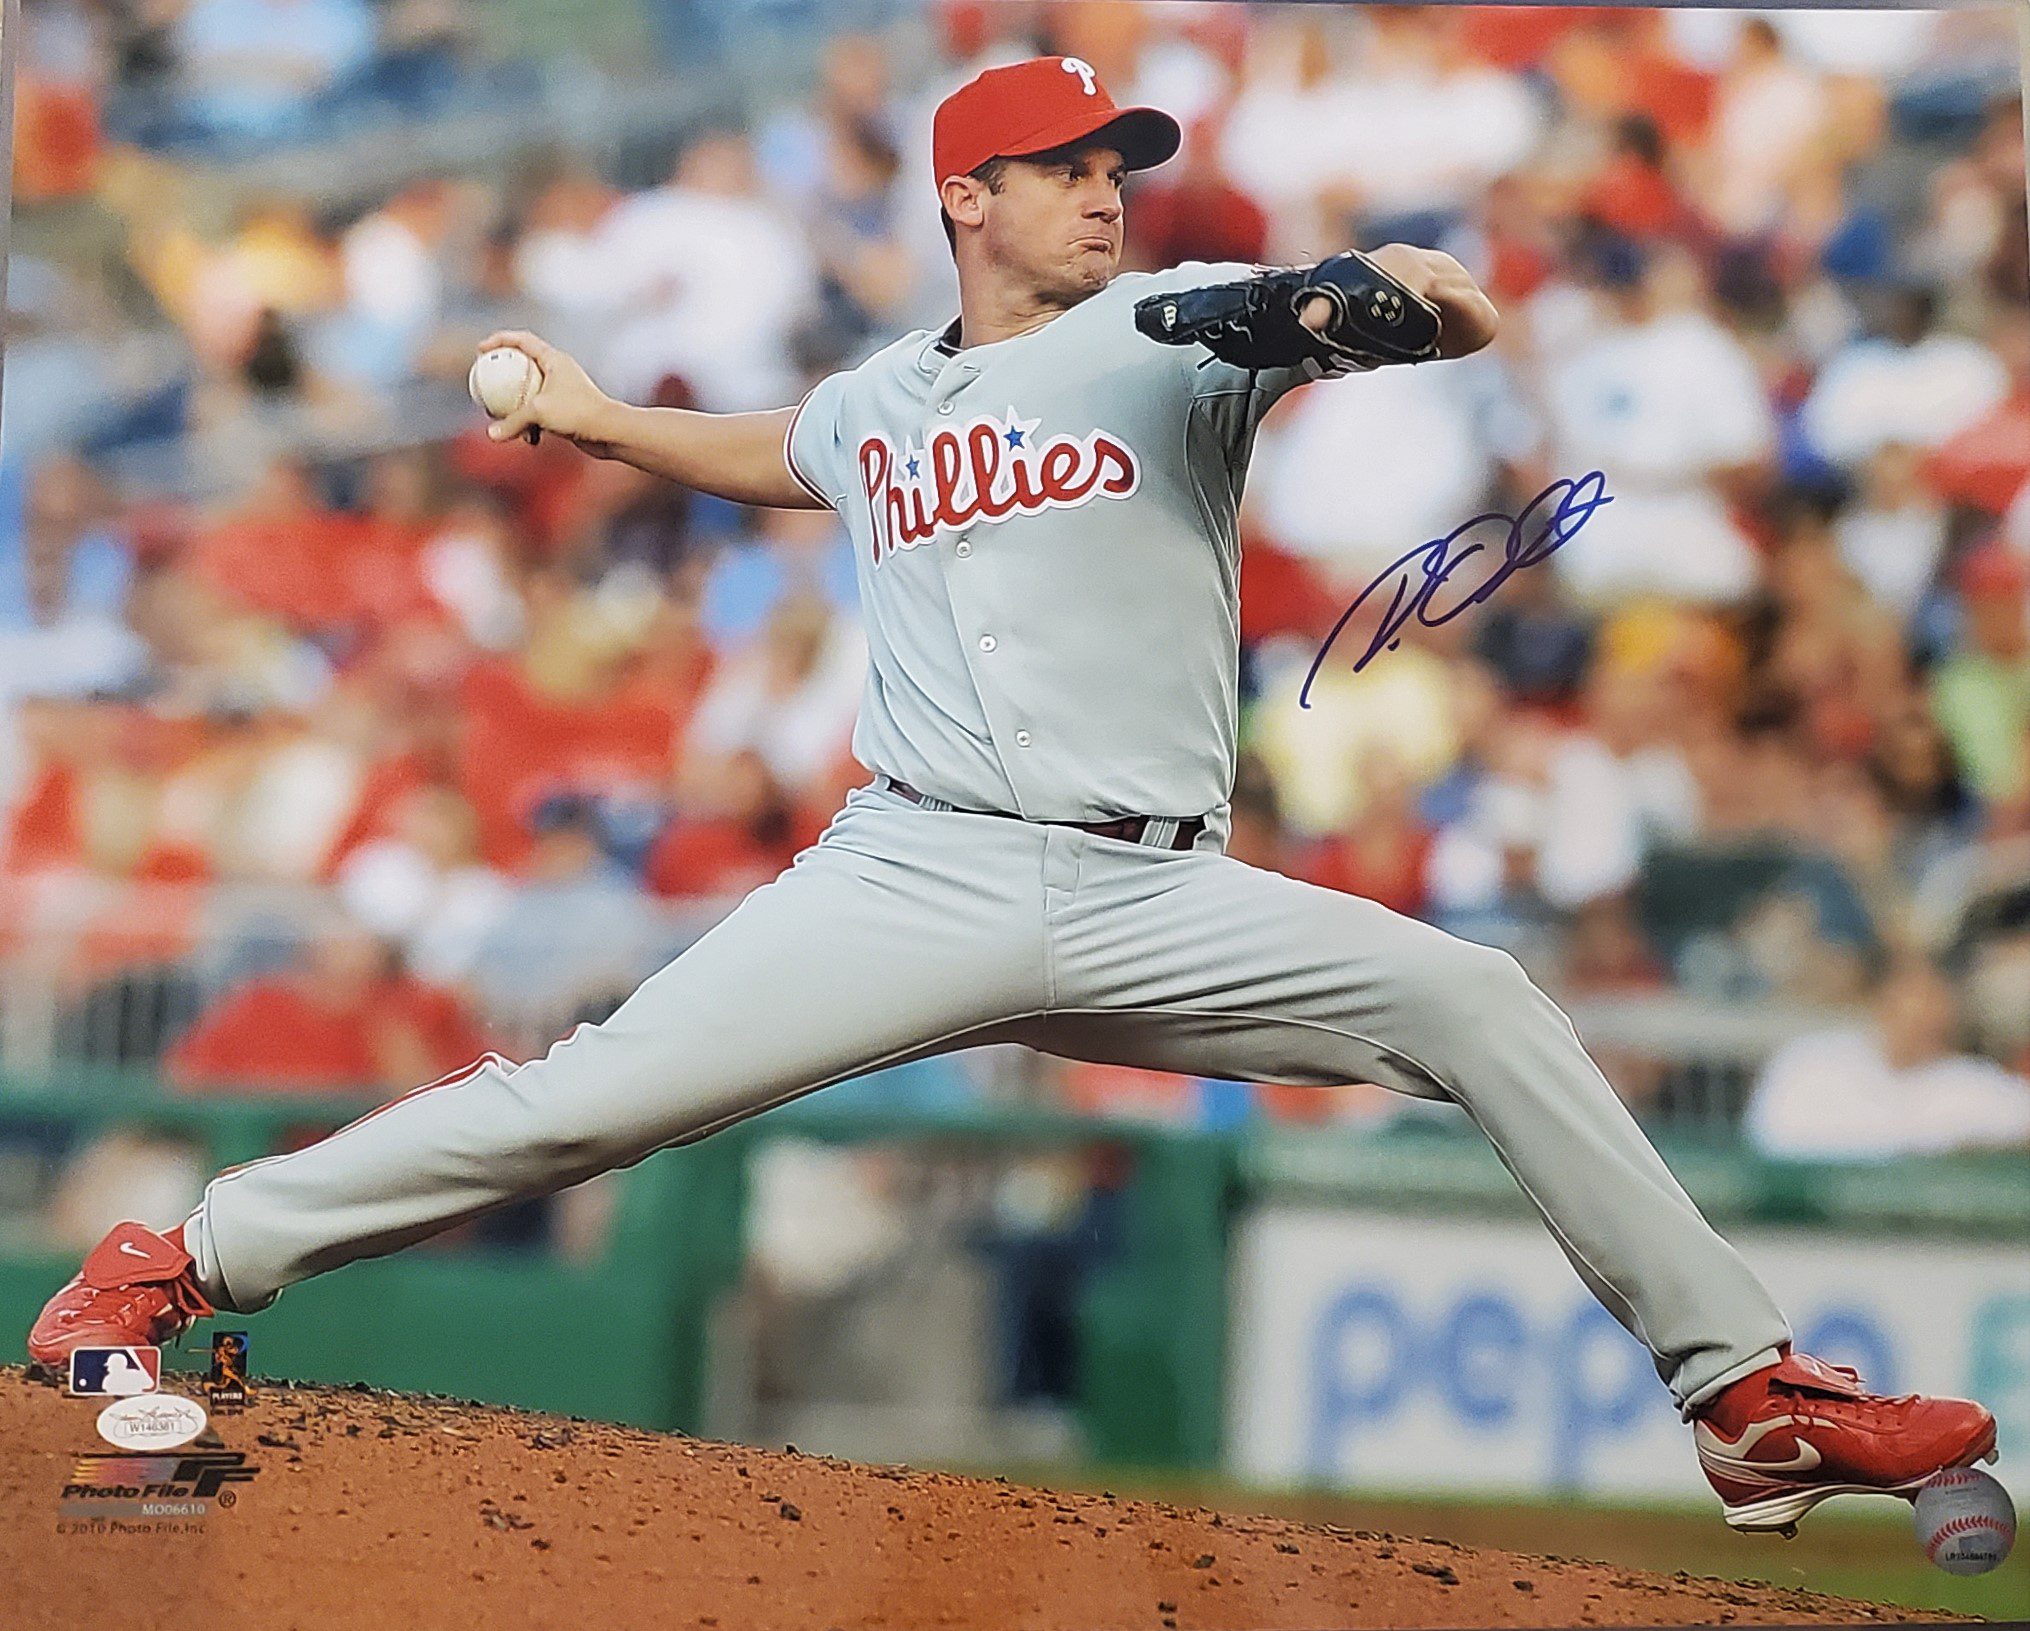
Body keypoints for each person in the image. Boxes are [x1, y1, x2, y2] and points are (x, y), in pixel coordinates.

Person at [29, 55, 1994, 1537]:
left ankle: (1742, 1402)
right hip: (914, 873)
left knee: (1478, 1000)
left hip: (1157, 894)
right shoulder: (888, 401)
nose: (1105, 194)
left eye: (1118, 166)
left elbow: (1332, 312)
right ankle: (173, 1263)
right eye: (1068, 168)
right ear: (969, 193)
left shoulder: (1168, 337)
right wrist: (592, 418)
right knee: (585, 1102)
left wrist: (1395, 296)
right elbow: (781, 448)